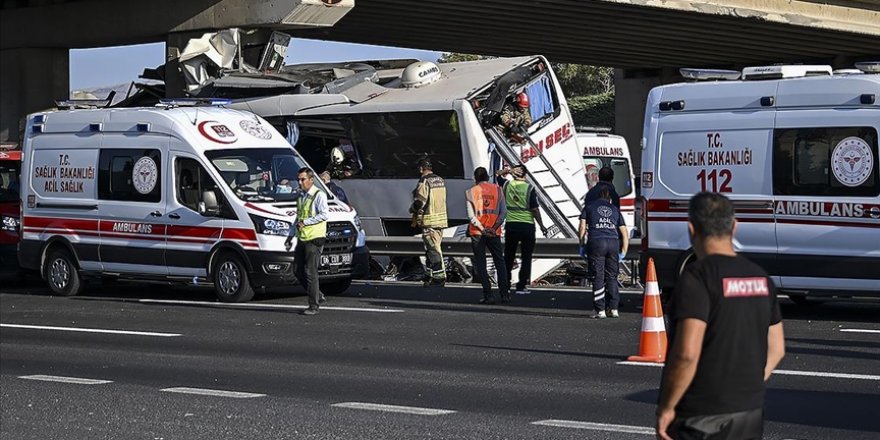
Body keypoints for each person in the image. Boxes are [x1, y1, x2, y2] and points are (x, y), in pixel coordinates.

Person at [656, 192, 785, 440]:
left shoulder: (697, 278)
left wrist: (667, 406)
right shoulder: (760, 278)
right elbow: (777, 348)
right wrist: (748, 384)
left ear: (691, 229)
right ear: (734, 227)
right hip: (749, 410)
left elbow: (686, 354)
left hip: (701, 413)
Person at [578, 187, 628, 319]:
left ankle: (600, 310)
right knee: (612, 276)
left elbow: (582, 227)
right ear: (609, 199)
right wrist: (624, 250)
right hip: (613, 243)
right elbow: (624, 232)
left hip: (596, 243)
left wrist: (582, 244)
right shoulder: (615, 210)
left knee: (598, 276)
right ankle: (614, 308)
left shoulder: (589, 207)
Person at [497, 164, 546, 295]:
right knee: (526, 257)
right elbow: (534, 209)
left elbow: (497, 174)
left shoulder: (507, 185)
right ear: (525, 174)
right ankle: (521, 285)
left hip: (511, 225)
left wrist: (508, 171)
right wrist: (541, 225)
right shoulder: (529, 188)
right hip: (527, 225)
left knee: (508, 256)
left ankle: (505, 284)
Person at [465, 167, 509, 304]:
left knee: (481, 264)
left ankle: (488, 295)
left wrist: (483, 229)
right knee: (500, 262)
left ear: (475, 178)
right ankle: (505, 294)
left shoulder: (470, 192)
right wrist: (494, 228)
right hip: (494, 232)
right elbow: (503, 213)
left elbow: (471, 216)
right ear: (488, 177)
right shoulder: (498, 190)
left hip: (478, 233)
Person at [291, 168, 329, 316]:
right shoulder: (301, 196)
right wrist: (291, 236)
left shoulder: (319, 195)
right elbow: (298, 217)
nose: (300, 182)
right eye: (299, 179)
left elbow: (324, 214)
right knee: (297, 270)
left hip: (315, 238)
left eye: (302, 179)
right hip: (303, 237)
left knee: (310, 272)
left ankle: (314, 306)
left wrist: (306, 222)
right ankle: (318, 295)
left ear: (311, 179)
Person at [409, 158, 448, 287]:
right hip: (441, 220)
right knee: (432, 248)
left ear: (421, 168)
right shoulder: (440, 180)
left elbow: (420, 201)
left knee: (433, 250)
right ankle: (430, 276)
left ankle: (439, 277)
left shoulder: (424, 181)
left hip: (429, 220)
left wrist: (413, 209)